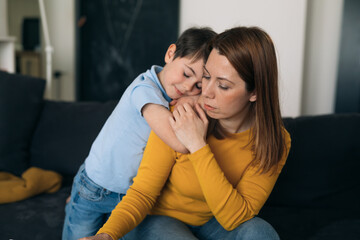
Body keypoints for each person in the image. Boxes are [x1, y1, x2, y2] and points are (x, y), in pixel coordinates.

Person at [81, 26, 291, 240]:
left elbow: (235, 218)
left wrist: (198, 145)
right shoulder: (182, 114)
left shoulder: (275, 140)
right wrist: (106, 235)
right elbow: (142, 192)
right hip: (159, 220)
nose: (205, 92)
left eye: (223, 86)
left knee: (260, 233)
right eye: (206, 77)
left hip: (214, 222)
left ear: (254, 92)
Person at [62, 27, 217, 240]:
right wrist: (195, 100)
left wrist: (194, 99)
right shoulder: (145, 89)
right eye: (187, 74)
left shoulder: (173, 97)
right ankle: (76, 197)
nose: (188, 87)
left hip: (129, 195)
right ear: (170, 54)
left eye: (199, 85)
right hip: (96, 187)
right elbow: (180, 143)